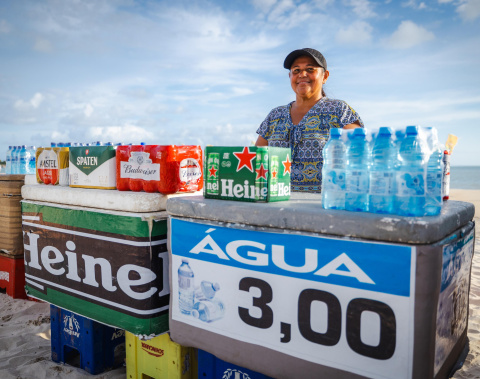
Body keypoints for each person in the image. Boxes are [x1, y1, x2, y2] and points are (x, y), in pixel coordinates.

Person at [255, 48, 364, 192]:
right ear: (290, 76)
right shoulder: (275, 115)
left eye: (310, 69)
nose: (302, 74)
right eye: (296, 70)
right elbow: (256, 159)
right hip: (276, 202)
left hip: (325, 204)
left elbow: (361, 155)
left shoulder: (339, 110)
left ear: (325, 76)